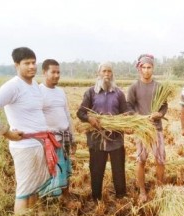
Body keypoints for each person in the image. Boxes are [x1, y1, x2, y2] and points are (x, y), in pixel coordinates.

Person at [0, 47, 51, 216]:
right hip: (24, 146)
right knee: (23, 192)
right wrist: (6, 132)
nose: (32, 66)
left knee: (34, 189)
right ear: (16, 65)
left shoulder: (35, 86)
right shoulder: (13, 86)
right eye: (27, 63)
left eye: (33, 62)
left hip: (38, 144)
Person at [77, 62, 129, 201]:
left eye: (109, 71)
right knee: (96, 169)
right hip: (96, 139)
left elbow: (126, 111)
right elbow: (81, 113)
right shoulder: (90, 92)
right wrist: (89, 118)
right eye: (104, 71)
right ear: (98, 73)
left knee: (118, 169)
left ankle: (121, 196)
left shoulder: (118, 93)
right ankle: (96, 197)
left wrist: (126, 118)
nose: (106, 74)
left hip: (116, 138)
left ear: (112, 74)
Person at [127, 54, 167, 202]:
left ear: (153, 68)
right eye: (143, 67)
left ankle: (160, 188)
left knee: (160, 160)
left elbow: (164, 105)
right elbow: (128, 106)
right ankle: (142, 191)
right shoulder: (134, 87)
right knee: (141, 160)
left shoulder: (159, 87)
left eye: (149, 67)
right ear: (139, 68)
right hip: (142, 130)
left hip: (156, 128)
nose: (146, 70)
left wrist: (160, 113)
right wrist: (138, 117)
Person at [39, 59, 74, 197]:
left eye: (58, 72)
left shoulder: (60, 92)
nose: (56, 75)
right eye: (53, 72)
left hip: (64, 138)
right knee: (50, 171)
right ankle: (48, 200)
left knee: (64, 169)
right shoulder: (39, 92)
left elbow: (67, 114)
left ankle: (65, 197)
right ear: (44, 72)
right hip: (49, 140)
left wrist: (73, 137)